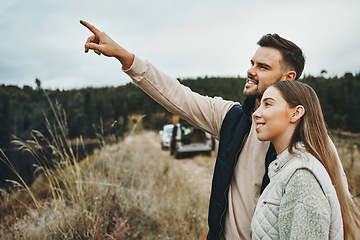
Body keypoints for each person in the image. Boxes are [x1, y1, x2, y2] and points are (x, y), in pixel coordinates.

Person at [80, 20, 349, 239]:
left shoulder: (313, 146)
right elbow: (178, 96)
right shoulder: (230, 117)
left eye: (263, 67)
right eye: (252, 63)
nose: (250, 71)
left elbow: (338, 209)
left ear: (288, 79)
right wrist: (124, 56)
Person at [251, 81, 360, 239]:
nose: (256, 113)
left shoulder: (302, 177)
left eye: (267, 104)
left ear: (295, 113)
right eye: (260, 105)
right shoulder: (288, 169)